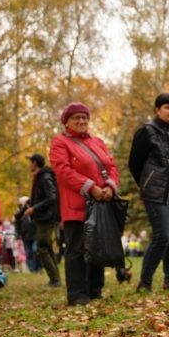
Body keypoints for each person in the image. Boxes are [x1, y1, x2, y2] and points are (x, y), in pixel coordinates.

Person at [49, 101, 120, 306]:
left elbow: (111, 166)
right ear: (66, 122)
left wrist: (110, 186)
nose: (81, 121)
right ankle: (77, 293)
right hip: (76, 204)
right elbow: (63, 171)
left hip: (100, 203)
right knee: (76, 249)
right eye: (76, 118)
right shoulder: (60, 142)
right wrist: (90, 187)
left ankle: (95, 288)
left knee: (97, 246)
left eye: (84, 117)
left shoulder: (98, 141)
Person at [129, 93, 169, 292]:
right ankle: (145, 281)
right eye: (167, 107)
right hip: (157, 192)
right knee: (162, 235)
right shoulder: (147, 132)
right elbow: (135, 163)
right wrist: (148, 183)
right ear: (157, 110)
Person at [24, 153, 61, 287]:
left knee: (42, 248)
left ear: (34, 163)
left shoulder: (45, 177)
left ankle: (55, 280)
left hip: (46, 217)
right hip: (43, 217)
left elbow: (52, 197)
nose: (29, 165)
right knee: (47, 247)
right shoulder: (40, 177)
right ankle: (55, 278)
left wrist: (34, 208)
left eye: (30, 162)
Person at [14, 195, 38, 273]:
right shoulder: (20, 214)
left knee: (35, 250)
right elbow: (17, 224)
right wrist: (18, 234)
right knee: (28, 253)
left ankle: (38, 267)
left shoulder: (33, 211)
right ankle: (32, 269)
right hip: (25, 236)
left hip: (35, 234)